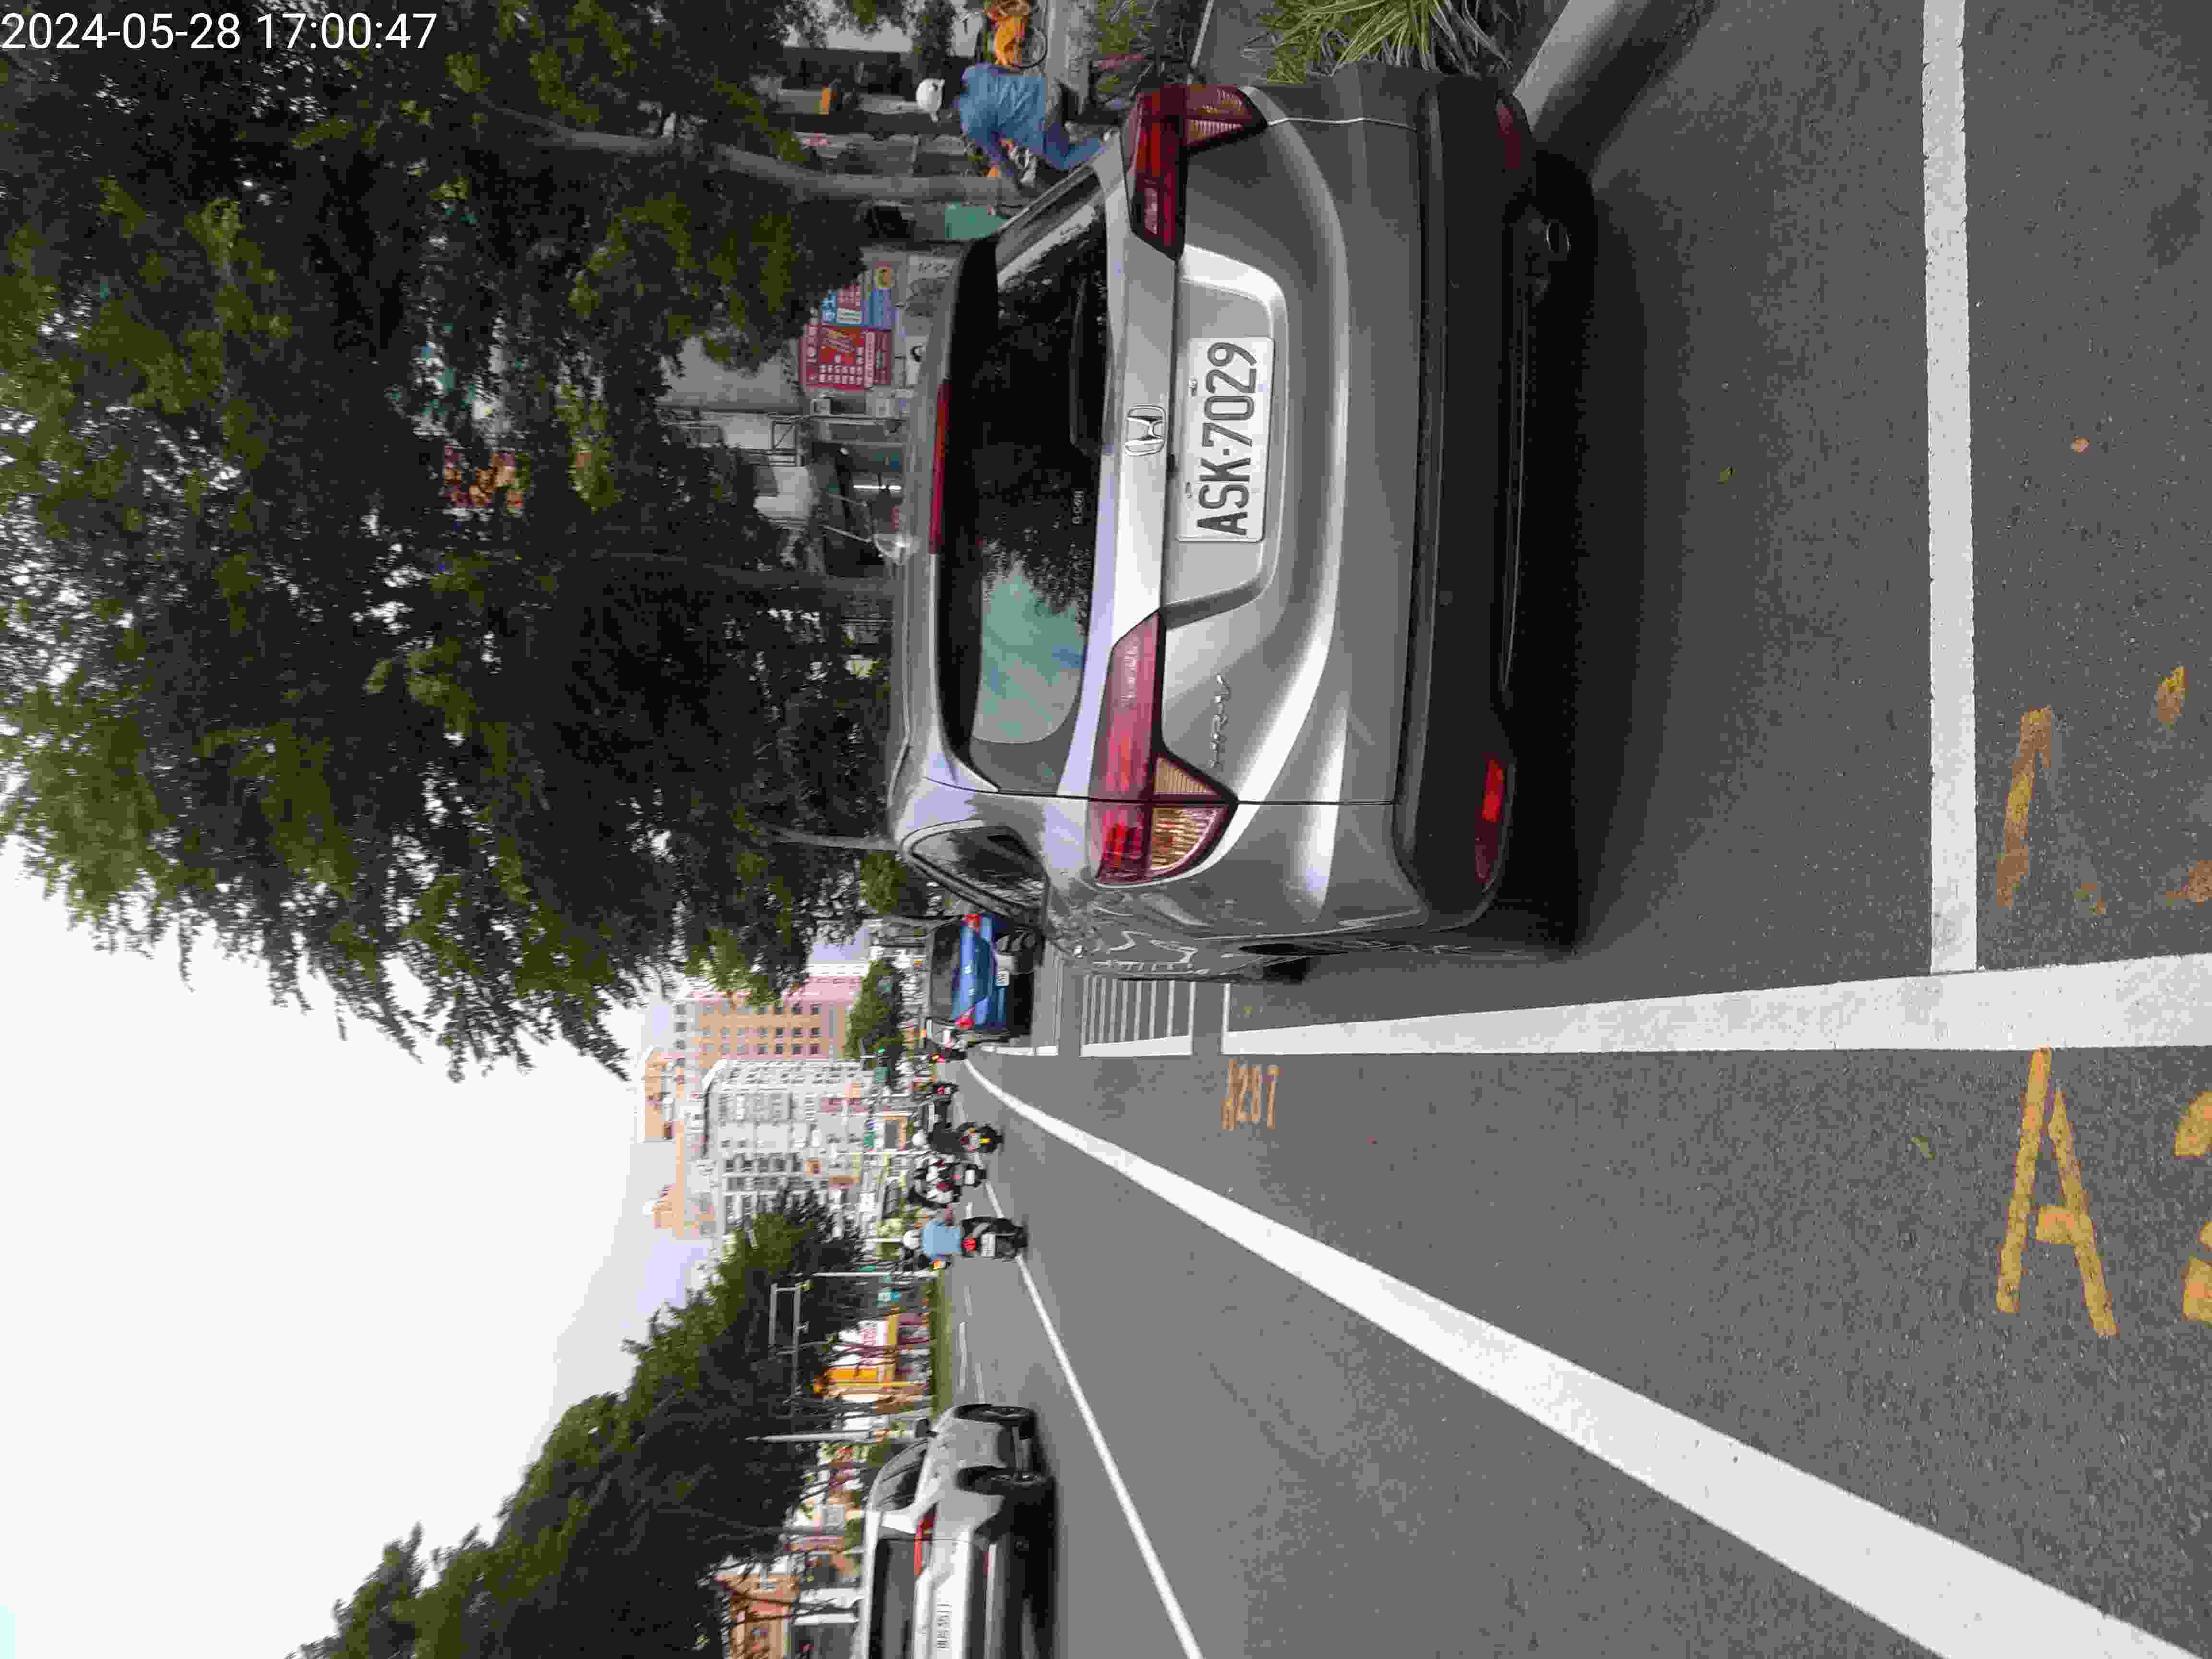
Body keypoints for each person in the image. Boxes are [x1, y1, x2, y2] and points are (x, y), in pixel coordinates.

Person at [916, 63, 1123, 185]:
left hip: (1044, 121)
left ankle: (1107, 141)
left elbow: (1000, 159)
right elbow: (1010, 73)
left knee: (1062, 159)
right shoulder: (972, 73)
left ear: (943, 111)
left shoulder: (970, 124)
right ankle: (1114, 117)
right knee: (1075, 114)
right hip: (1049, 87)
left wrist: (1017, 185)